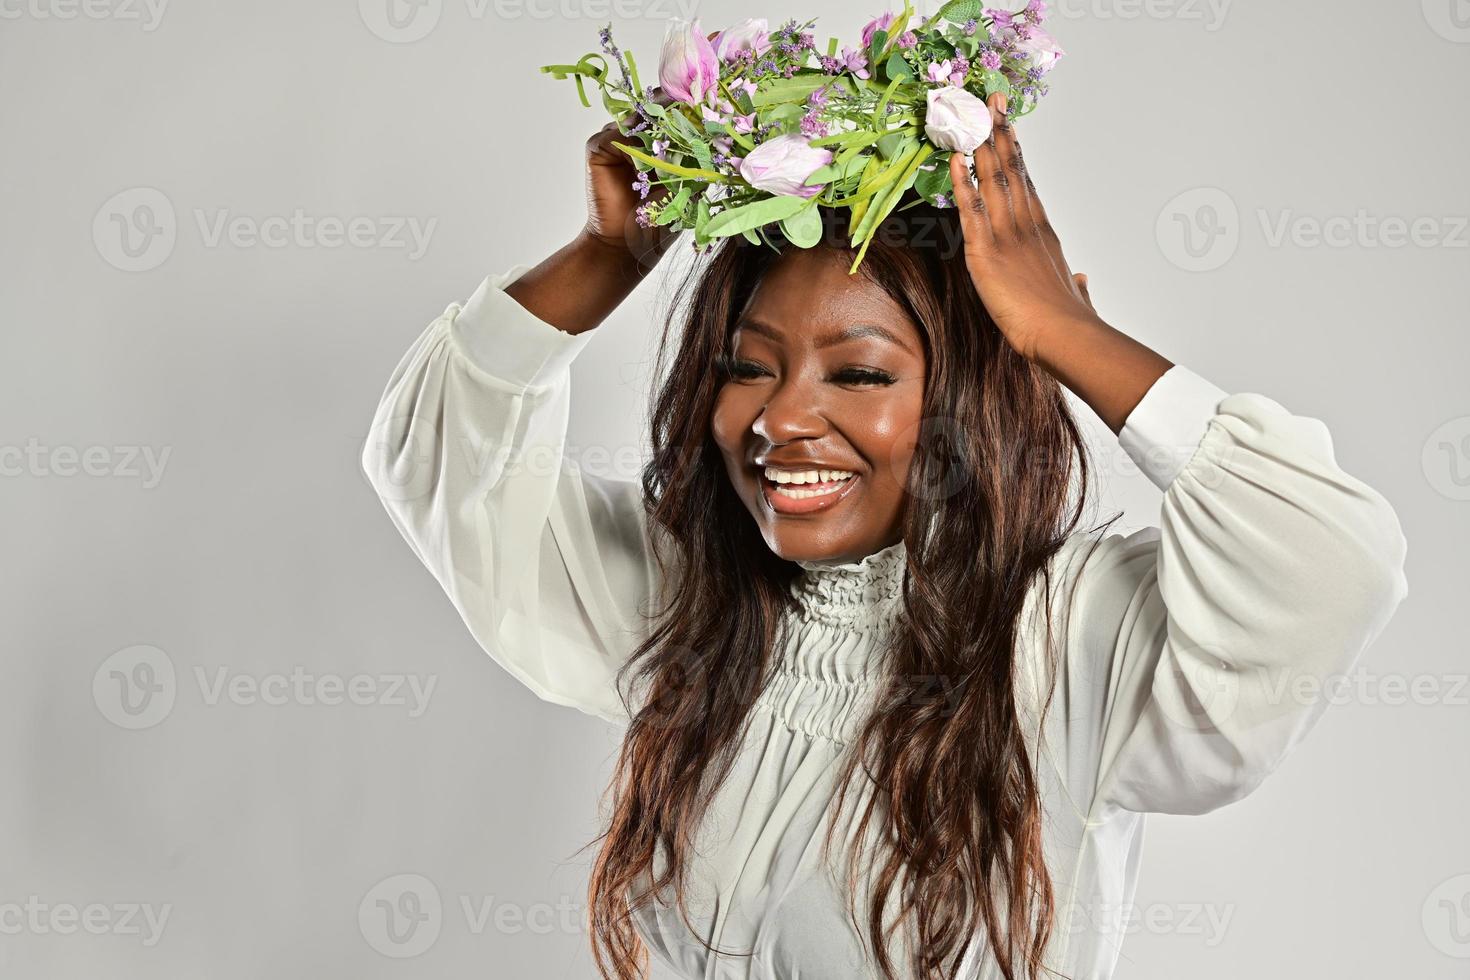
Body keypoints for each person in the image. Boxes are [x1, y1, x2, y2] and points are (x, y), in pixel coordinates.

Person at [359, 92, 1409, 980]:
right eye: (746, 364)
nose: (779, 418)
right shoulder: (692, 599)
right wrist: (604, 257)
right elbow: (442, 467)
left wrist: (1069, 336)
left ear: (967, 397)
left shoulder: (1070, 637)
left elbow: (1329, 562)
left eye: (858, 373)